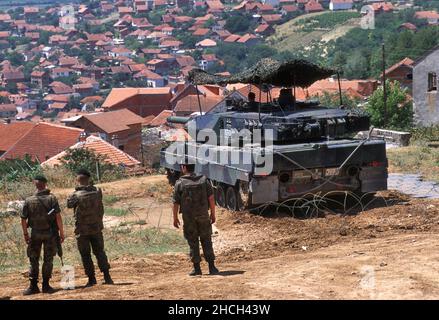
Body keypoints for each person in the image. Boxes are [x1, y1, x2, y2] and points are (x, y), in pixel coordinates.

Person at [67, 169, 113, 287]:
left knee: (85, 254)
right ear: (89, 178)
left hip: (82, 230)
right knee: (100, 252)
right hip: (96, 228)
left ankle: (92, 279)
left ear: (78, 179)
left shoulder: (74, 195)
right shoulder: (97, 191)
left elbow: (69, 205)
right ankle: (107, 276)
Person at [21, 175, 64, 295]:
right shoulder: (52, 199)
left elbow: (23, 219)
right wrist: (61, 232)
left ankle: (33, 286)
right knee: (48, 259)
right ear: (45, 184)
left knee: (33, 260)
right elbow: (58, 217)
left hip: (35, 234)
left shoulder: (28, 200)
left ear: (35, 185)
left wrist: (25, 234)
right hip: (50, 233)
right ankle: (46, 285)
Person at [173, 164, 219, 276]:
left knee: (193, 242)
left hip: (189, 218)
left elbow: (175, 203)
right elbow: (211, 198)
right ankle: (212, 267)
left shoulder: (180, 183)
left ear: (184, 167)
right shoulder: (204, 180)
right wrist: (213, 214)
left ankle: (197, 269)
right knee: (207, 240)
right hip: (203, 215)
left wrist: (175, 218)